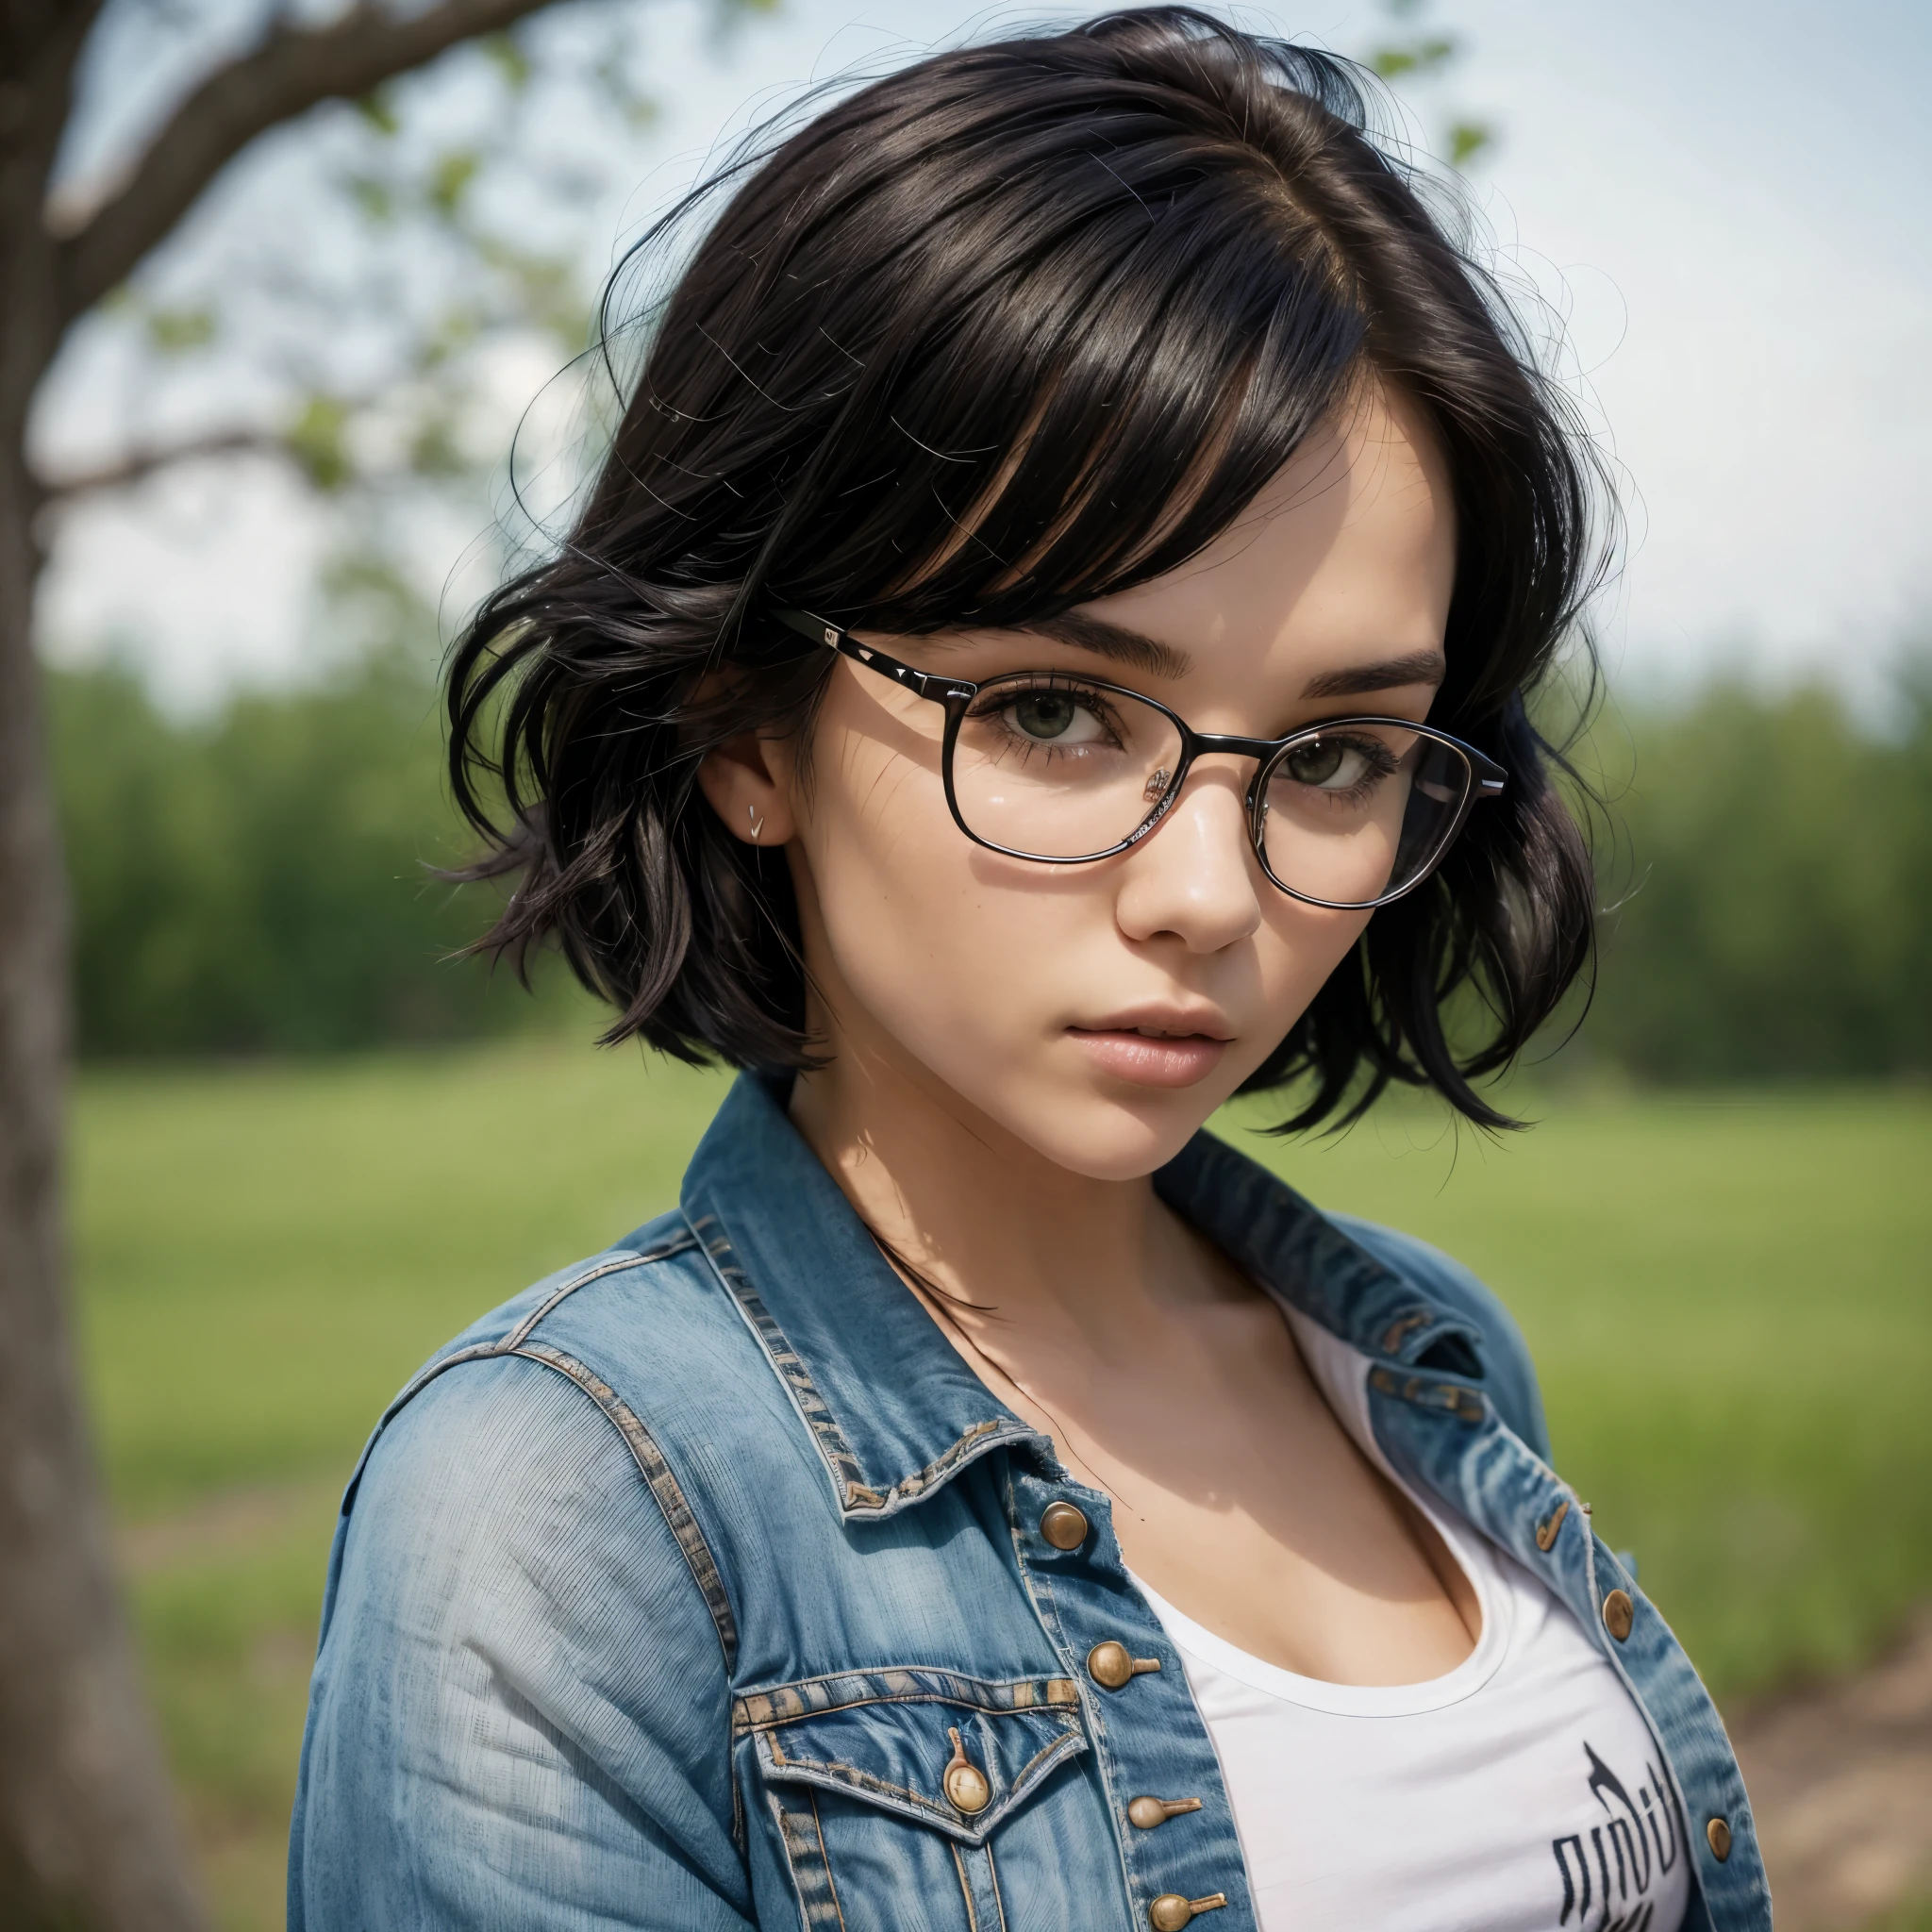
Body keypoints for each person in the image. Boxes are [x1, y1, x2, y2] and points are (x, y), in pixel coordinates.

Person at [288, 12, 1767, 1929]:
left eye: (1328, 752)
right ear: (745, 726)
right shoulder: (568, 1509)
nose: (1209, 895)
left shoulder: (1426, 1353)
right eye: (1061, 711)